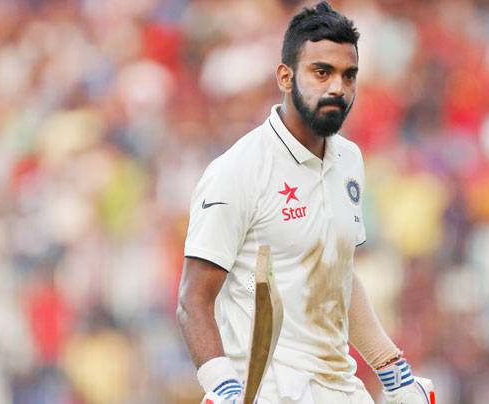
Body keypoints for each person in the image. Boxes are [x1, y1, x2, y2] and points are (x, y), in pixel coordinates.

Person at [177, 2, 435, 403]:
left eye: (348, 75)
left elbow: (338, 275)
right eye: (321, 72)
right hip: (270, 393)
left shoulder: (349, 160)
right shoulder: (239, 169)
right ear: (285, 76)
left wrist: (394, 372)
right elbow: (193, 299)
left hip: (340, 388)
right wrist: (223, 387)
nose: (337, 88)